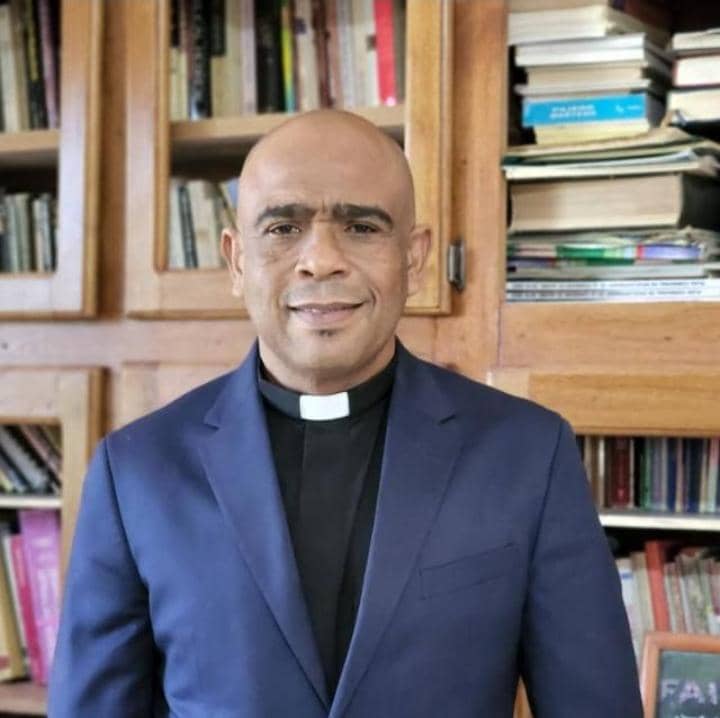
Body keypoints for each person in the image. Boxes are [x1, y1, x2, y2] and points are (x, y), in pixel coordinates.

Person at [48, 110, 643, 717]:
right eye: (283, 227)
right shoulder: (136, 471)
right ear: (237, 261)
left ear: (414, 258)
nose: (320, 261)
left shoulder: (528, 454)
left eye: (361, 227)